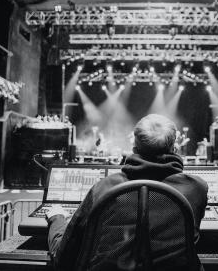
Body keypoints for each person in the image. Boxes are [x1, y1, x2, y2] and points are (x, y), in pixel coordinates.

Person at [46, 114, 208, 270]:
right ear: (175, 148)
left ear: (134, 148)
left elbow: (64, 256)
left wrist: (57, 218)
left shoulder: (104, 188)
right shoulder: (197, 188)